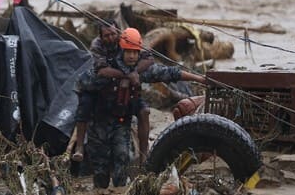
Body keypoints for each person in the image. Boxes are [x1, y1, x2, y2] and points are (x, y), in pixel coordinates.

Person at [87, 28, 208, 189]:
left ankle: (126, 180)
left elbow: (170, 72)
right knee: (100, 172)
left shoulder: (139, 69)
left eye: (135, 52)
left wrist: (199, 78)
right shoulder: (106, 67)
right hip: (99, 124)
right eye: (127, 52)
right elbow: (85, 91)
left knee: (122, 159)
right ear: (120, 50)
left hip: (121, 122)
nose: (131, 56)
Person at [72, 20, 154, 162]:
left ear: (118, 32)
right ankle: (79, 146)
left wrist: (134, 72)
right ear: (101, 37)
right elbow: (103, 70)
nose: (110, 38)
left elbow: (149, 58)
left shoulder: (126, 38)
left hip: (121, 84)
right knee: (84, 105)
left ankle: (144, 154)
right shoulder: (97, 45)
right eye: (106, 35)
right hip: (96, 85)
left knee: (143, 110)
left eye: (113, 34)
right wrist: (127, 75)